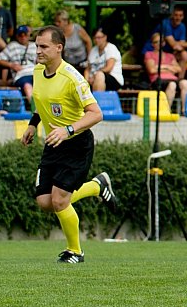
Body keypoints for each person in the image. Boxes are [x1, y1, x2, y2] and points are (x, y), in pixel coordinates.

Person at [20, 25, 118, 263]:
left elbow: (96, 114)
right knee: (45, 202)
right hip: (54, 143)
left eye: (43, 47)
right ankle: (96, 186)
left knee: (60, 200)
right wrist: (33, 123)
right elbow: (42, 102)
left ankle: (75, 251)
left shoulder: (73, 78)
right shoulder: (37, 71)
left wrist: (68, 129)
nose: (38, 51)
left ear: (58, 48)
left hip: (76, 143)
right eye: (37, 47)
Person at [143, 6, 187, 80]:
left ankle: (180, 80)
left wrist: (181, 47)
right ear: (171, 15)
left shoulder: (182, 26)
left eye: (180, 15)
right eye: (176, 15)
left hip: (167, 53)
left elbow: (180, 46)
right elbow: (173, 44)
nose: (178, 18)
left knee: (184, 54)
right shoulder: (165, 24)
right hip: (152, 52)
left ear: (183, 17)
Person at [144, 33, 187, 111]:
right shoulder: (149, 54)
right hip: (158, 79)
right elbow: (151, 70)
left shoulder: (170, 56)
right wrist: (167, 67)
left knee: (185, 83)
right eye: (156, 42)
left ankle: (185, 110)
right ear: (152, 44)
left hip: (172, 78)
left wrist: (159, 67)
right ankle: (167, 110)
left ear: (164, 43)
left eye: (161, 41)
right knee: (172, 85)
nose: (159, 44)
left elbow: (178, 69)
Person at [0, 25, 37, 105]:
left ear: (28, 35)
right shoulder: (12, 46)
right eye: (20, 35)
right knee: (27, 85)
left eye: (25, 34)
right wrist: (11, 65)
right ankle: (34, 109)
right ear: (17, 36)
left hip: (35, 72)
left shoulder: (35, 46)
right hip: (21, 75)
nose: (23, 37)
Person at [86, 27, 124, 92]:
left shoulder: (111, 48)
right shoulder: (93, 50)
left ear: (105, 37)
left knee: (99, 75)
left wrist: (94, 76)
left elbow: (108, 68)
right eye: (95, 38)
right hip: (93, 79)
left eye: (99, 37)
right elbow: (88, 69)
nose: (97, 40)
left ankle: (97, 100)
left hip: (112, 79)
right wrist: (86, 81)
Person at [54, 10, 92, 74]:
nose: (56, 24)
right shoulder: (59, 34)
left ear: (65, 21)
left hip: (82, 64)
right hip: (69, 65)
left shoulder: (77, 29)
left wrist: (89, 59)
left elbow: (88, 42)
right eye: (56, 21)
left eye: (59, 22)